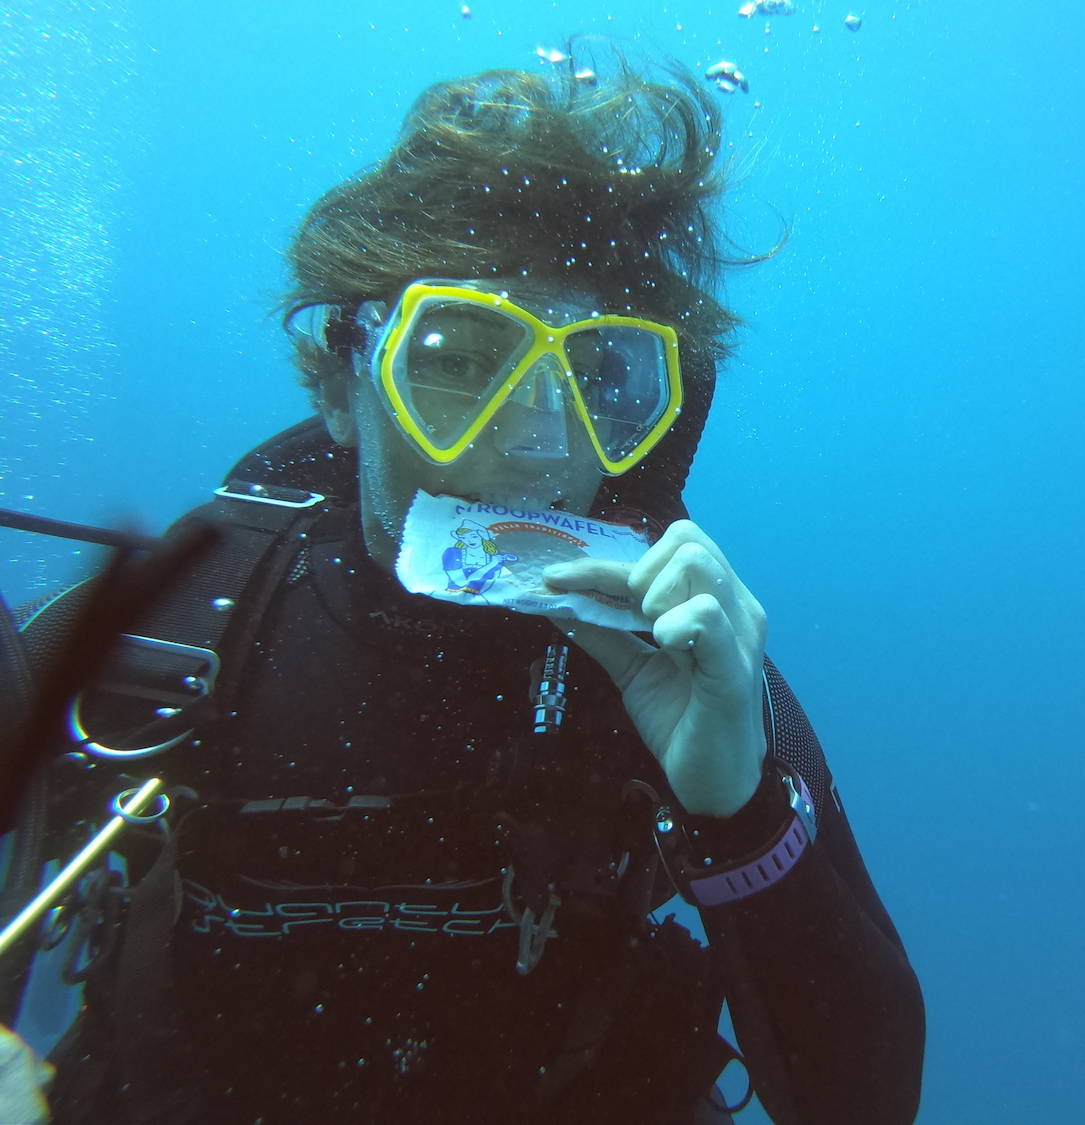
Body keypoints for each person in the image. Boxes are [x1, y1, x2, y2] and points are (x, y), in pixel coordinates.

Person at [13, 44, 924, 1124]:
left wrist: (735, 808)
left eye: (598, 377)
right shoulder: (162, 635)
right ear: (348, 387)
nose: (538, 443)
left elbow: (865, 1102)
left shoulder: (691, 671)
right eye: (457, 356)